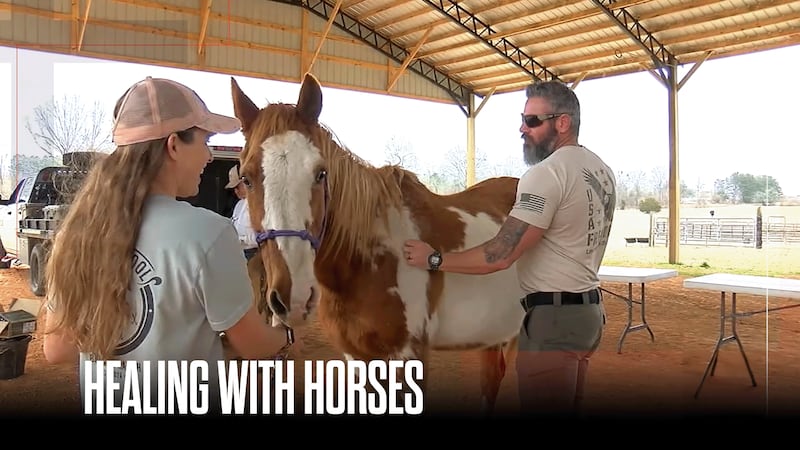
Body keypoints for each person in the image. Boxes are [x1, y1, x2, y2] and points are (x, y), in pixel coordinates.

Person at [41, 76, 292, 414]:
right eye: (205, 141)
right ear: (174, 145)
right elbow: (252, 344)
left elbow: (57, 351)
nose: (208, 156)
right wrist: (287, 337)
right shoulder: (209, 233)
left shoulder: (77, 235)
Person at [403, 80, 616, 417]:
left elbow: (499, 254)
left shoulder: (546, 174)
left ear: (563, 123)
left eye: (533, 121)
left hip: (553, 323)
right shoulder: (601, 171)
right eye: (523, 118)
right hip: (588, 315)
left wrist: (434, 258)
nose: (522, 128)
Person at [225, 164, 258, 260]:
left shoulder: (260, 204)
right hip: (239, 253)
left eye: (237, 186)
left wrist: (242, 239)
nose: (236, 191)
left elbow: (267, 235)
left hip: (255, 254)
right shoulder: (239, 204)